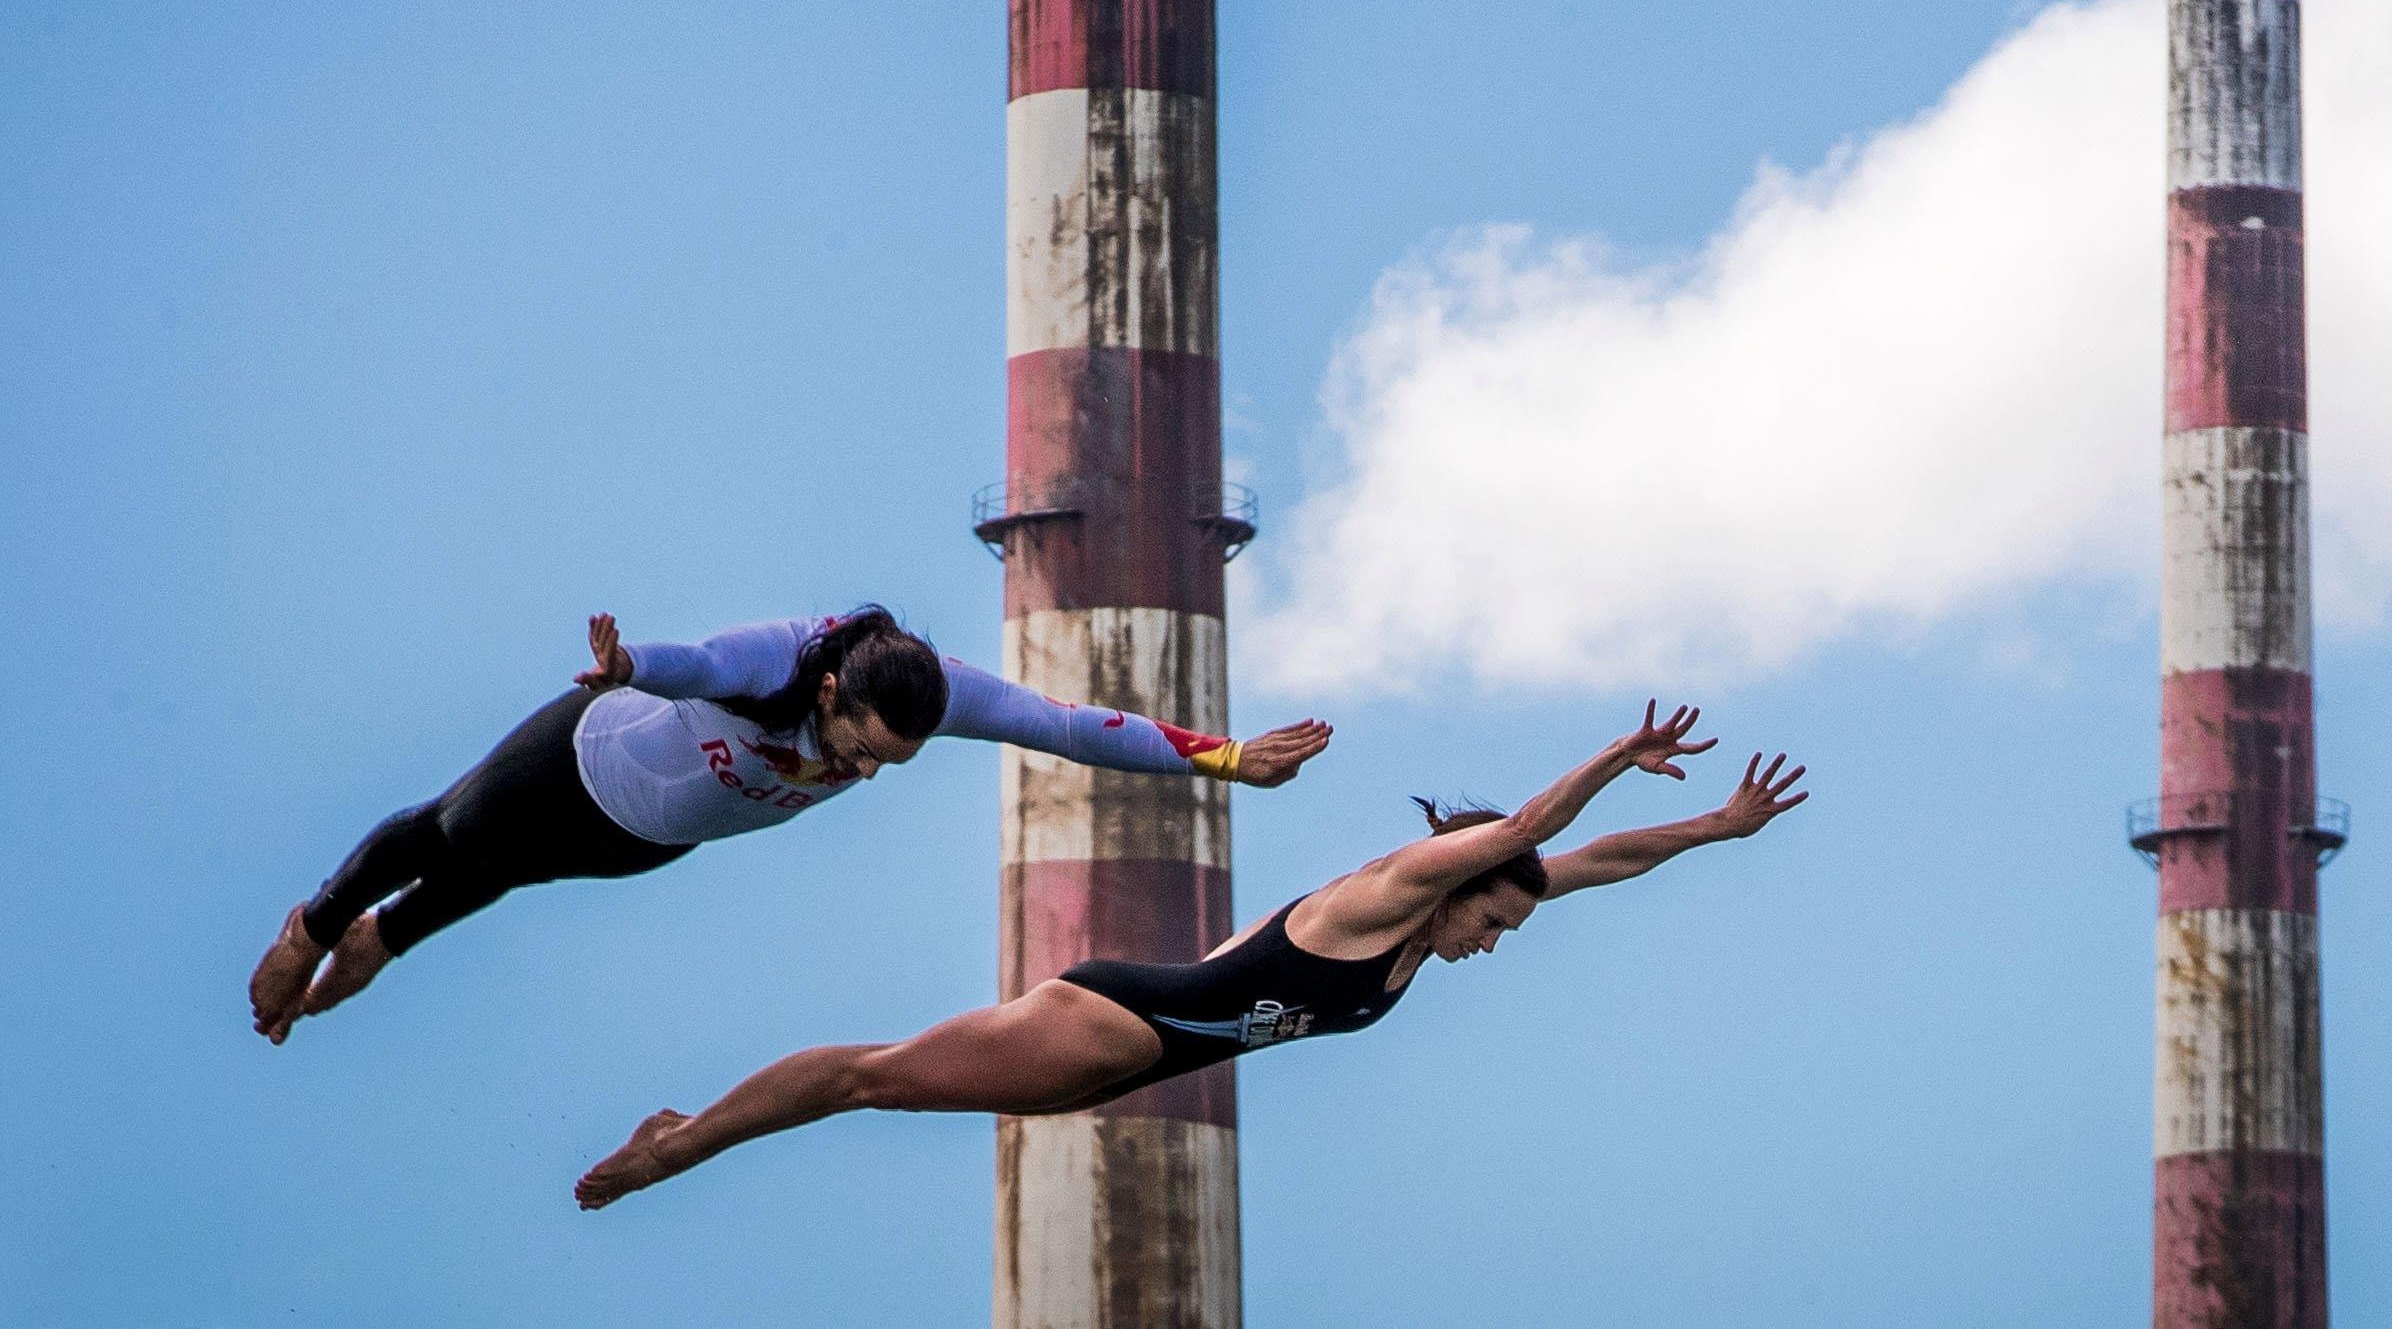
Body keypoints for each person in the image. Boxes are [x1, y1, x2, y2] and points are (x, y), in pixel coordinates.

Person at [573, 702, 1804, 1209]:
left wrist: (1711, 825)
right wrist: (1608, 754)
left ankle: (691, 1128)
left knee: (886, 1083)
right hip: (1116, 1023)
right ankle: (676, 1143)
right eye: (1489, 917)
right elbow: (1532, 831)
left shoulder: (1450, 925)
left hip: (1130, 1063)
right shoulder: (1387, 897)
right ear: (1455, 883)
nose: (1491, 940)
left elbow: (1584, 862)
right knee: (870, 1076)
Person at [250, 609, 1330, 1043]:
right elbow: (700, 665)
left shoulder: (934, 692)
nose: (864, 770)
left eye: (886, 764)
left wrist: (1226, 759)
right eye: (860, 747)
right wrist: (633, 668)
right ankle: (319, 922)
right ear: (828, 697)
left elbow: (1068, 725)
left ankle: (381, 943)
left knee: (503, 877)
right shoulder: (782, 656)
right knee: (452, 834)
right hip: (581, 757)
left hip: (645, 836)